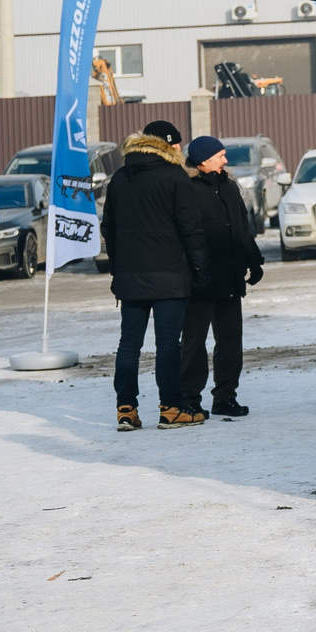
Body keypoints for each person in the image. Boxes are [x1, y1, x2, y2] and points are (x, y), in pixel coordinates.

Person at [102, 119, 211, 430]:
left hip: (130, 276)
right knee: (167, 344)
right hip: (169, 275)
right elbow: (191, 229)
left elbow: (108, 227)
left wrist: (117, 266)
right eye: (177, 143)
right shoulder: (175, 176)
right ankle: (171, 408)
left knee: (128, 343)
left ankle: (126, 409)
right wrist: (201, 267)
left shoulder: (121, 177)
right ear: (169, 144)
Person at [182, 135, 264, 417]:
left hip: (230, 277)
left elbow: (242, 228)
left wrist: (254, 260)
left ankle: (225, 396)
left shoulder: (228, 186)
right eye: (220, 156)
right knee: (193, 343)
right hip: (199, 281)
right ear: (203, 161)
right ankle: (190, 398)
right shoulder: (187, 189)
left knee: (230, 341)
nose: (226, 160)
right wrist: (196, 270)